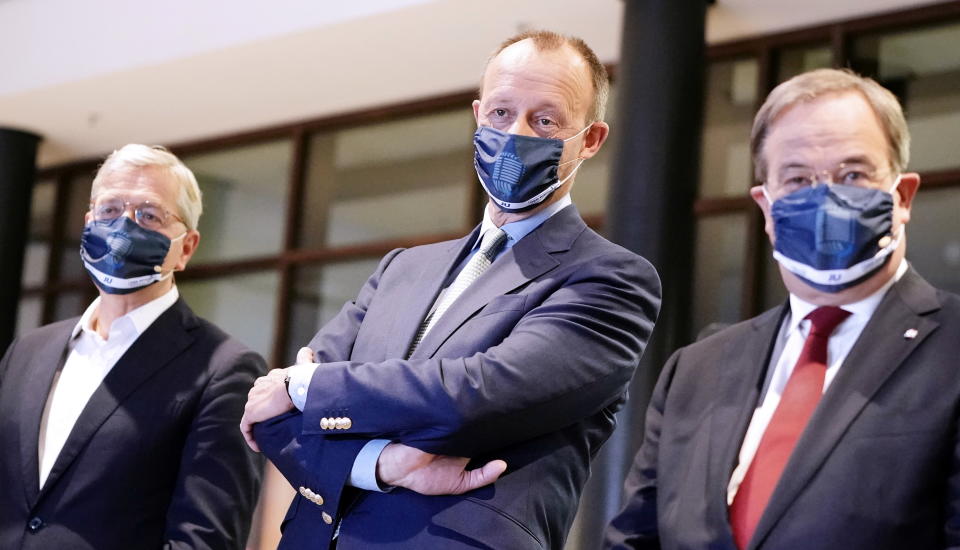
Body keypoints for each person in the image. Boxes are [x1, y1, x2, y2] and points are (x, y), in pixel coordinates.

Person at [240, 30, 662, 550]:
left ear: (591, 140)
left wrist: (307, 386)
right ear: (478, 115)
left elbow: (478, 394)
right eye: (502, 114)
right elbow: (273, 422)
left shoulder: (610, 279)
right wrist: (382, 464)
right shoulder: (402, 269)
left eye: (545, 120)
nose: (516, 134)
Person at [603, 68, 960, 549]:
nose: (825, 197)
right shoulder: (695, 370)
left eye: (853, 174)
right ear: (766, 207)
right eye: (797, 178)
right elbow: (634, 539)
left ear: (901, 196)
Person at [0, 145, 265, 550]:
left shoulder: (223, 370)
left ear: (187, 248)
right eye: (109, 210)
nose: (123, 228)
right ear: (88, 221)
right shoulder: (28, 352)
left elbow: (204, 541)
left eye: (149, 215)